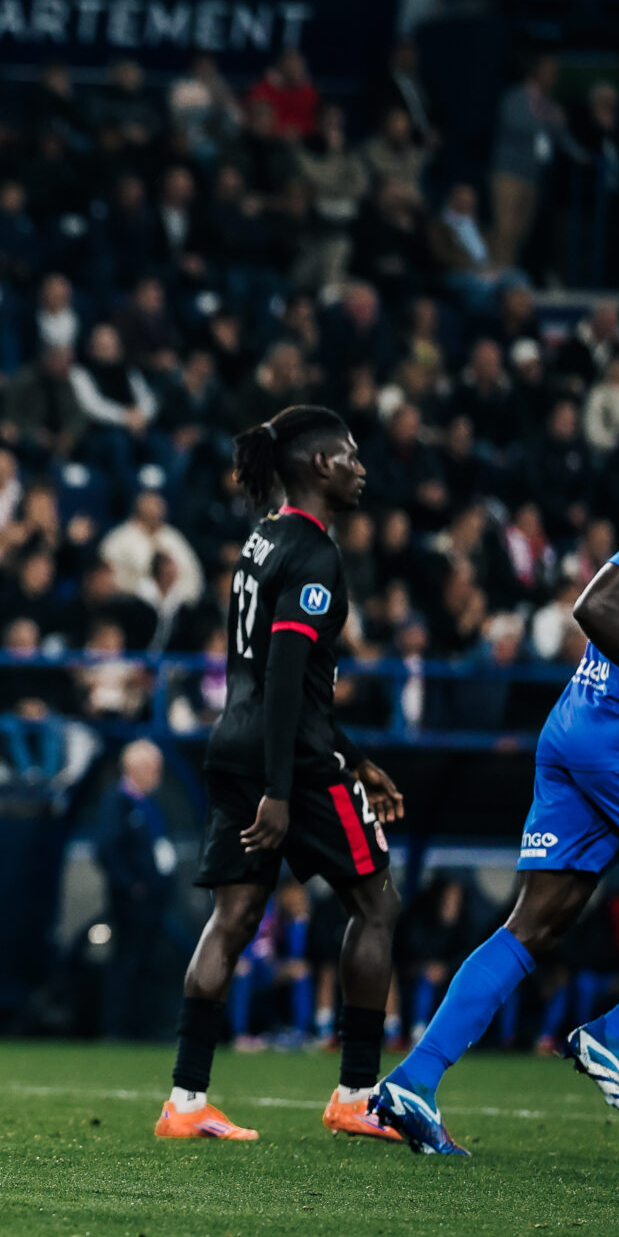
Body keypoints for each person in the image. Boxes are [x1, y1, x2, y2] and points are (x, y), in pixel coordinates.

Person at [375, 395, 619, 1154]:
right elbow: (596, 606)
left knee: (533, 923)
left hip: (580, 727)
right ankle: (618, 1031)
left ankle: (412, 1081)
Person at [163, 405, 406, 1143]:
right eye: (350, 455)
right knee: (377, 904)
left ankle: (184, 1100)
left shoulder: (262, 539)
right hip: (289, 762)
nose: (362, 467)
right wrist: (280, 788)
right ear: (319, 466)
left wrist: (359, 756)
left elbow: (282, 682)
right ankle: (356, 1093)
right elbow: (286, 674)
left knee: (231, 921)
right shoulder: (314, 554)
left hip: (234, 743)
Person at [96, 739, 176, 1040]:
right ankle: (116, 1027)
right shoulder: (117, 801)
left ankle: (139, 1025)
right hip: (131, 899)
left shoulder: (150, 803)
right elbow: (106, 849)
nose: (156, 773)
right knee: (127, 961)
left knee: (145, 961)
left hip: (154, 895)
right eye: (151, 767)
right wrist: (131, 885)